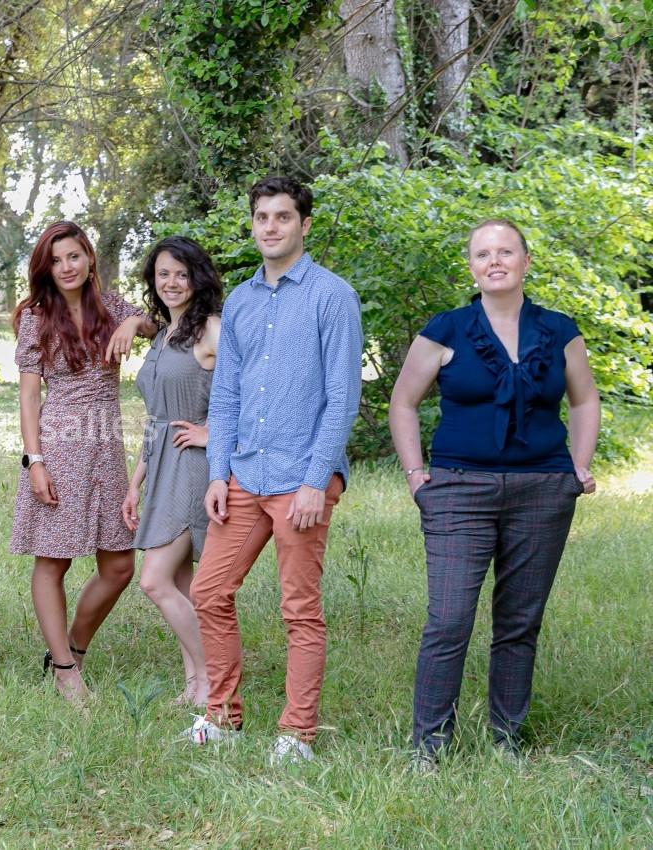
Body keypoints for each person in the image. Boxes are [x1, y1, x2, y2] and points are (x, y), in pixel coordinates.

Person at [389, 219, 599, 766]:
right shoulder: (447, 329)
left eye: (506, 251)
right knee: (450, 618)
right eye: (483, 254)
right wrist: (416, 475)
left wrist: (577, 466)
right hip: (459, 490)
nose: (495, 260)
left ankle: (506, 738)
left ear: (525, 262)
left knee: (519, 621)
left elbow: (583, 401)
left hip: (543, 490)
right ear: (472, 267)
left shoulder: (559, 331)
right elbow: (403, 402)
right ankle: (429, 745)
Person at [189, 176, 363, 763]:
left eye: (282, 217)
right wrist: (217, 473)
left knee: (299, 609)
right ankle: (222, 717)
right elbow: (227, 397)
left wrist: (317, 480)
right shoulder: (238, 301)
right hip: (243, 474)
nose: (270, 227)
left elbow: (341, 397)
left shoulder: (332, 296)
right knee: (208, 591)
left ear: (303, 225)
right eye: (262, 217)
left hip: (300, 481)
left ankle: (296, 735)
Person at [10, 220, 155, 704]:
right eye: (55, 260)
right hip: (61, 445)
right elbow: (29, 399)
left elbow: (160, 323)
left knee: (119, 565)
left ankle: (71, 647)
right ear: (45, 268)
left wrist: (134, 323)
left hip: (107, 447)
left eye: (73, 256)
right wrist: (35, 461)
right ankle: (67, 672)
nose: (66, 267)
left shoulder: (111, 306)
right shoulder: (36, 316)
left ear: (89, 258)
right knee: (53, 560)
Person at [121, 236, 221, 709]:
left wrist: (212, 431)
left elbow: (248, 395)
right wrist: (134, 484)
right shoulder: (164, 333)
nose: (172, 282)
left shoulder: (211, 330)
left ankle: (215, 677)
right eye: (163, 274)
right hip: (159, 461)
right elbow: (156, 418)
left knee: (154, 581)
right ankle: (193, 685)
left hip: (192, 465)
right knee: (181, 584)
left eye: (181, 274)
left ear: (196, 278)